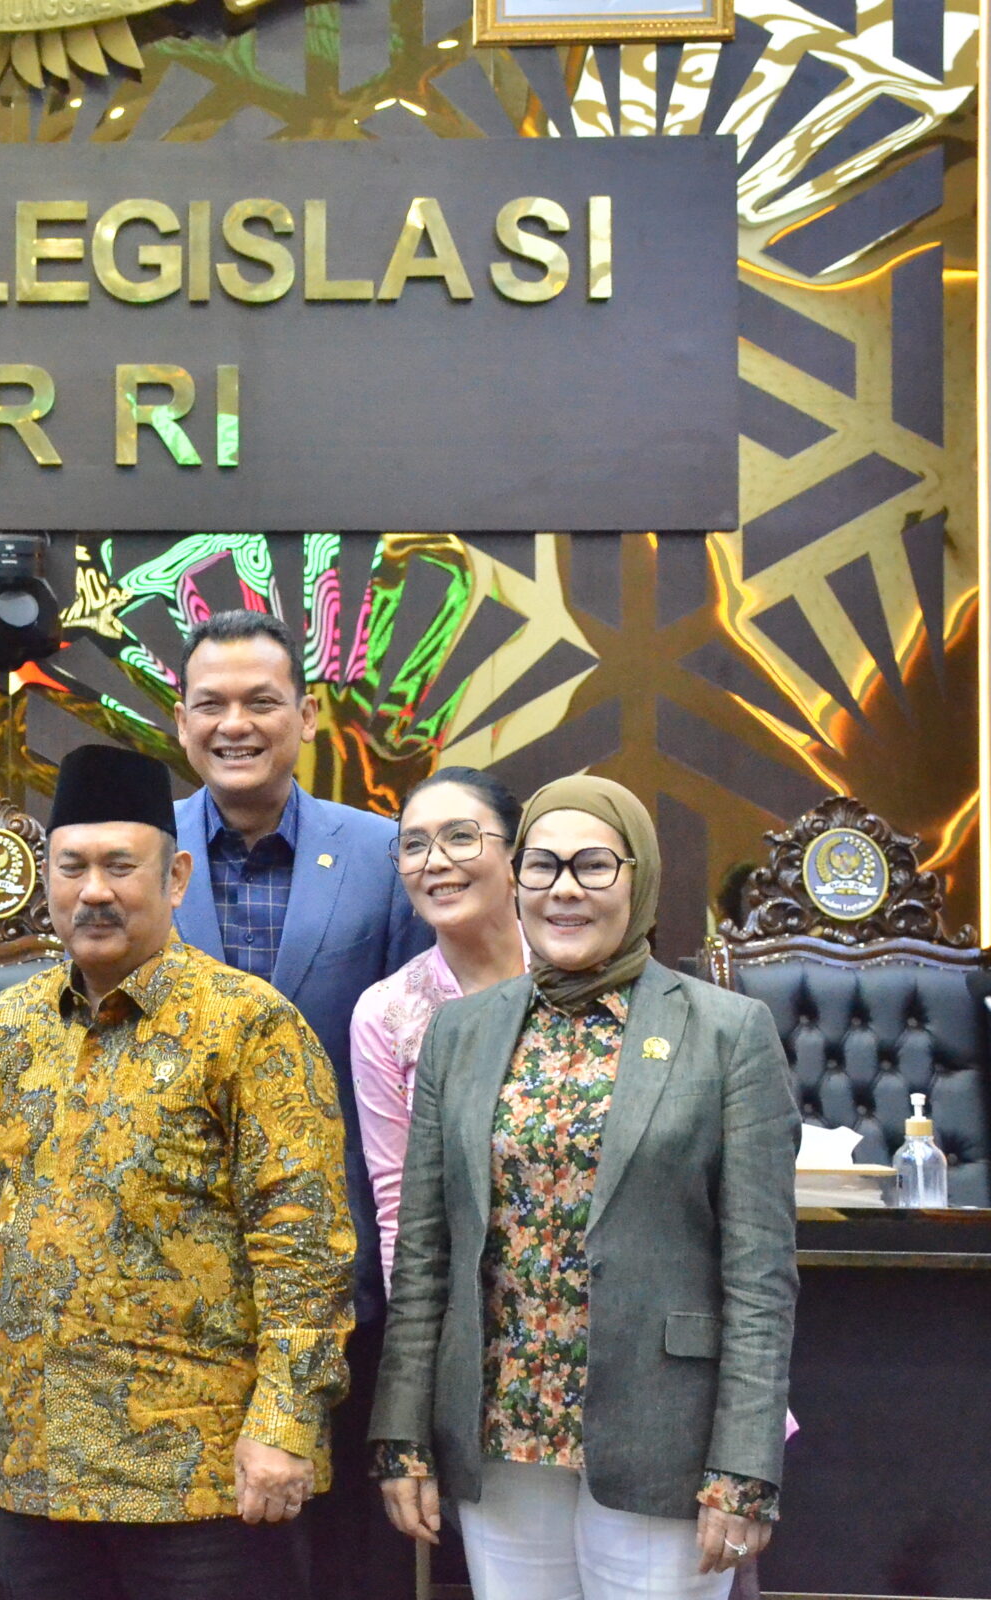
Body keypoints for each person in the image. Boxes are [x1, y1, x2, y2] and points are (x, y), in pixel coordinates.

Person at [0, 743, 356, 1600]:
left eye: (121, 866)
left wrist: (286, 1426)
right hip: (33, 1473)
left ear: (176, 876)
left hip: (207, 1485)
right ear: (46, 878)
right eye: (72, 867)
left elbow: (309, 1251)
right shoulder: (6, 1027)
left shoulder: (252, 1028)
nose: (95, 891)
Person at [371, 775, 799, 1599]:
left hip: (661, 1435)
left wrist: (746, 1466)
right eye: (542, 866)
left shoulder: (725, 1033)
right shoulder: (462, 1031)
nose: (565, 888)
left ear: (637, 880)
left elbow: (760, 1278)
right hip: (500, 1431)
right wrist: (401, 1434)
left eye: (594, 865)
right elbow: (424, 1256)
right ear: (516, 880)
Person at [169, 609, 429, 1590]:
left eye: (260, 701)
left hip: (337, 1274)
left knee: (335, 1557)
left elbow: (417, 1065)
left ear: (307, 715)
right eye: (211, 704)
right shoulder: (136, 855)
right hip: (174, 1281)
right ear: (181, 719)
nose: (235, 723)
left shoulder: (384, 854)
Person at [349, 767, 530, 1291]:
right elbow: (399, 1208)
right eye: (414, 845)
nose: (435, 862)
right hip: (463, 1299)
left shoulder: (573, 976)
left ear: (514, 856)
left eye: (460, 836)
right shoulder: (385, 1013)